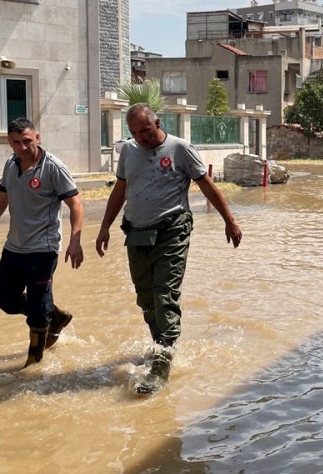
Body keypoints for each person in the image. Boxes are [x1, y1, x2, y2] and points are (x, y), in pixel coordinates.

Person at [95, 104, 242, 394]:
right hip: (137, 232)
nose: (141, 138)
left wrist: (230, 221)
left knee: (165, 293)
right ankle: (161, 345)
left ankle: (162, 365)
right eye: (135, 133)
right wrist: (104, 227)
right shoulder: (128, 151)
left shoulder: (180, 149)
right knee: (146, 298)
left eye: (146, 131)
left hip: (172, 230)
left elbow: (207, 185)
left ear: (158, 123)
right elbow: (120, 190)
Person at [0, 118, 84, 367]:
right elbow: (1, 200)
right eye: (16, 142)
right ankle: (55, 315)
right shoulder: (11, 165)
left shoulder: (53, 167)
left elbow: (75, 204)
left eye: (27, 141)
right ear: (9, 143)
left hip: (44, 248)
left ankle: (33, 364)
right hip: (14, 246)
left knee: (37, 309)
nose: (22, 147)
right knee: (5, 299)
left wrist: (75, 240)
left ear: (37, 138)